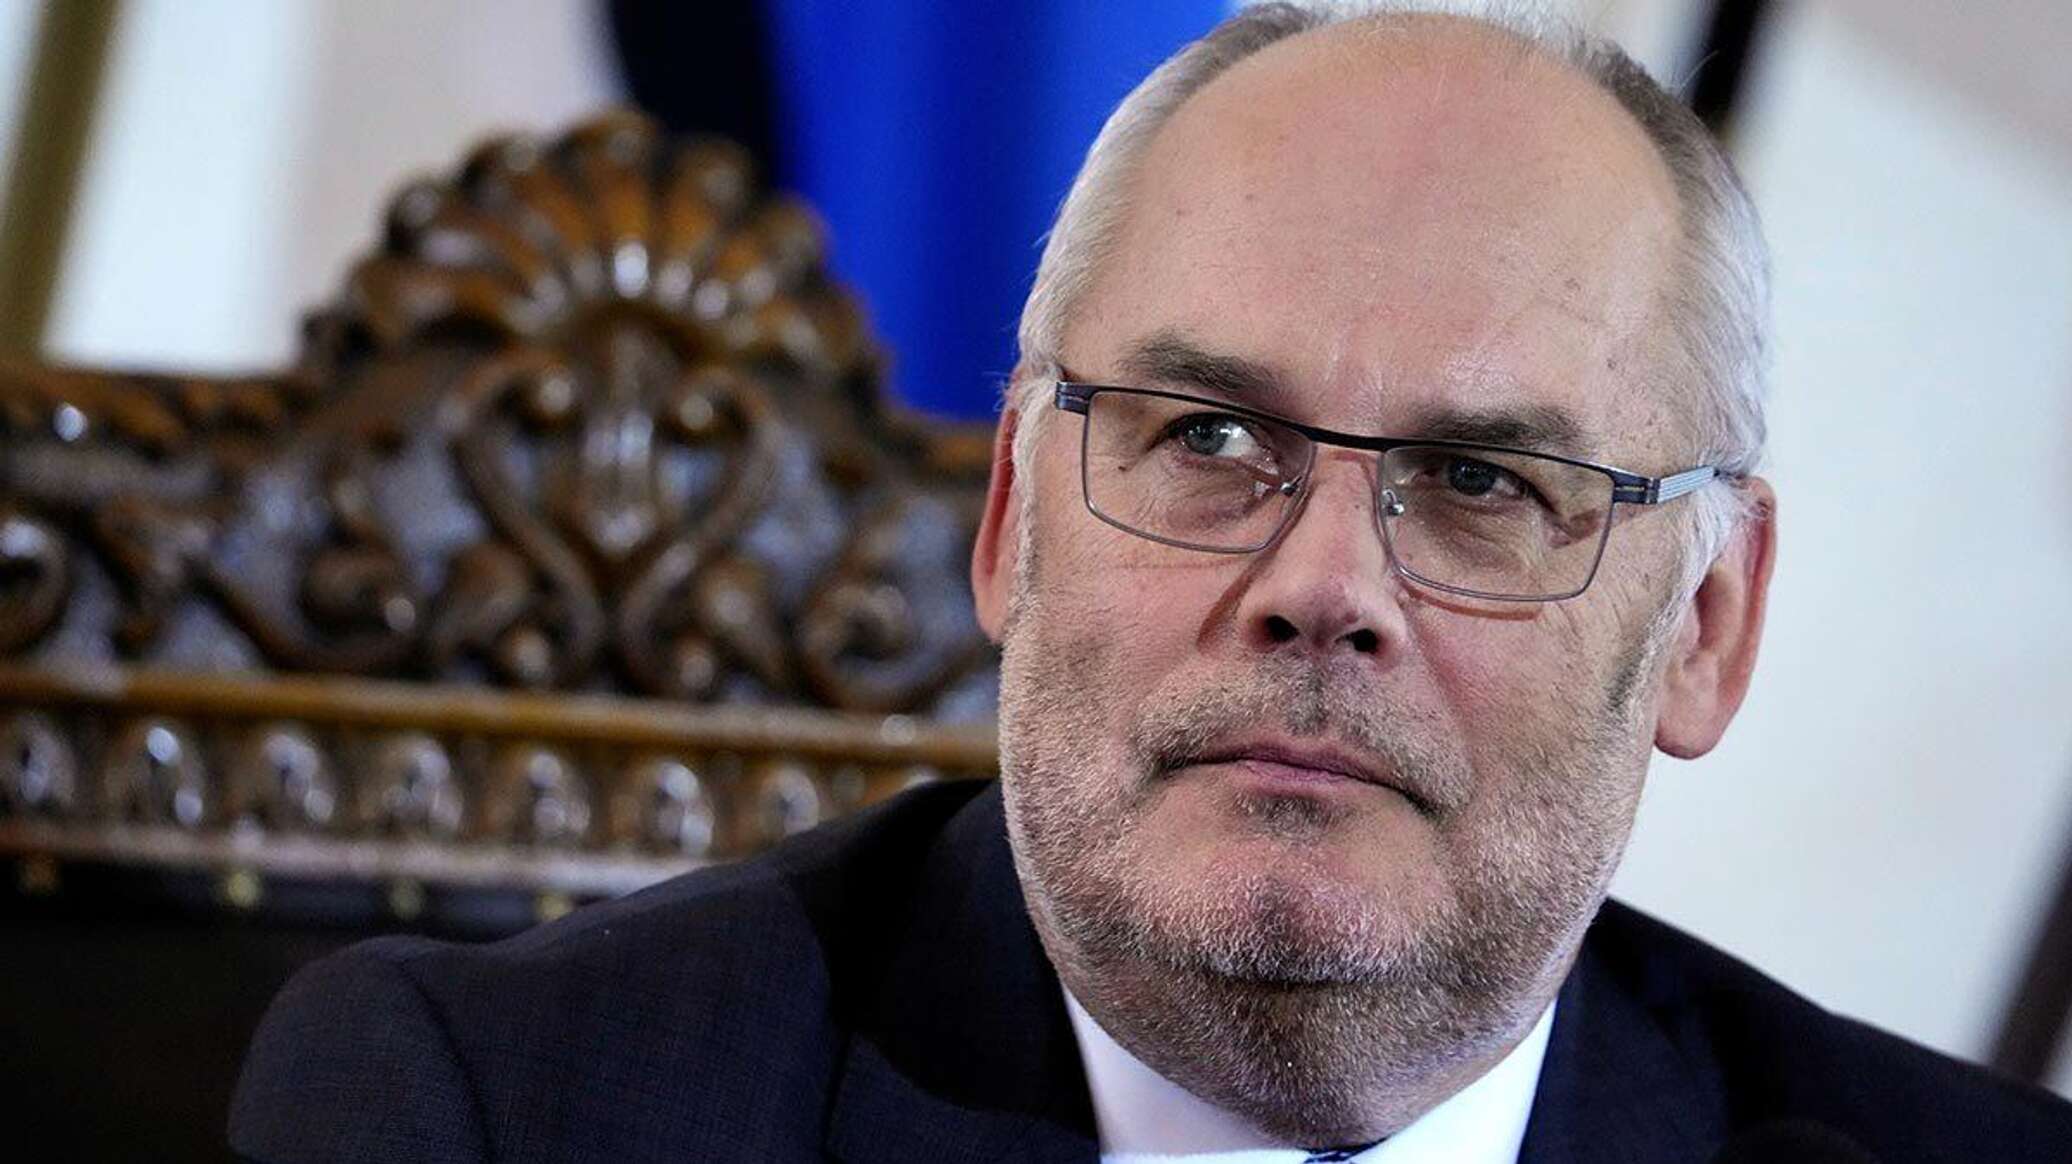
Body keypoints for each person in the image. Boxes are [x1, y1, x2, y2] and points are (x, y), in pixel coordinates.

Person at [230, 5, 2072, 1161]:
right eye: (1208, 437)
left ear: (1707, 630)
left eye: (1481, 483)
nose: (1322, 586)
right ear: (1011, 515)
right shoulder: (493, 1116)